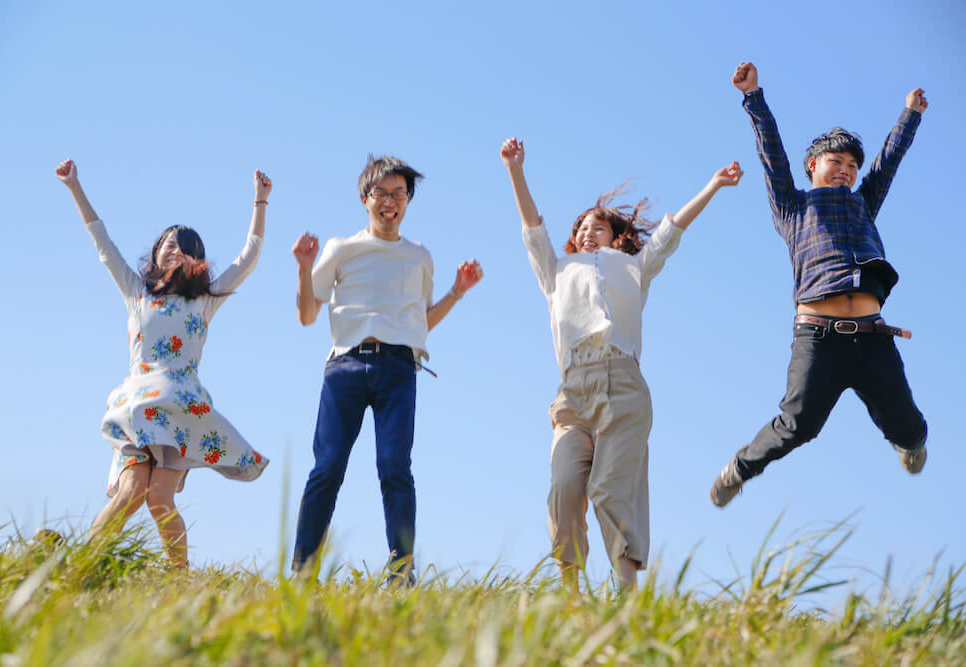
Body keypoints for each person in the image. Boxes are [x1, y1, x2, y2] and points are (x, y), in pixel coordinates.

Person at [500, 137, 743, 590]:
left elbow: (671, 230)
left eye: (600, 227)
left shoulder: (634, 268)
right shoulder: (556, 270)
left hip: (624, 388)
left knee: (611, 489)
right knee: (566, 486)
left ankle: (627, 595)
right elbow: (532, 226)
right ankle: (570, 593)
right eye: (583, 227)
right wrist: (516, 169)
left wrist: (712, 185)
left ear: (616, 237)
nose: (590, 232)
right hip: (573, 392)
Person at [710, 62, 930, 508]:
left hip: (872, 336)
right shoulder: (794, 208)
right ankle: (740, 468)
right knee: (798, 425)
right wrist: (753, 97)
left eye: (852, 165)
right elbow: (772, 155)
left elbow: (887, 164)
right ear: (814, 165)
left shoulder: (863, 205)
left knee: (912, 430)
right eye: (837, 162)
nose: (846, 171)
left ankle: (903, 441)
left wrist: (910, 115)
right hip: (818, 339)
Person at [57, 159, 271, 568]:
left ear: (196, 261)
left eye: (184, 246)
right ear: (156, 252)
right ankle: (79, 567)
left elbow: (249, 257)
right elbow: (103, 244)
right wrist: (74, 186)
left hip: (181, 412)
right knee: (132, 490)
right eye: (168, 243)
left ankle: (179, 583)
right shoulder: (137, 292)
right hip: (137, 409)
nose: (175, 250)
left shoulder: (204, 301)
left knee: (160, 499)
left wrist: (259, 202)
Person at [290, 154, 483, 581]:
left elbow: (420, 323)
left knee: (395, 467)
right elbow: (307, 314)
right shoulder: (342, 248)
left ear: (408, 201)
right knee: (327, 468)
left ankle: (401, 572)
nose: (390, 201)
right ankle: (302, 572)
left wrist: (458, 291)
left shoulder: (419, 257)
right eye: (381, 193)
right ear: (365, 199)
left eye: (399, 193)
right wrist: (304, 269)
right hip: (344, 366)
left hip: (398, 368)